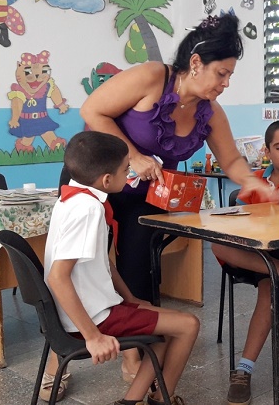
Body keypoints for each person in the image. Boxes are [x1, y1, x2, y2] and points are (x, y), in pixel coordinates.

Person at [80, 13, 272, 379]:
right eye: (222, 73)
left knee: (139, 267)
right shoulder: (153, 77)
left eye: (230, 75)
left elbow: (230, 159)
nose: (226, 83)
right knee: (81, 264)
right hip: (97, 181)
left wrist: (254, 182)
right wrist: (132, 156)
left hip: (141, 194)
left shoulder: (209, 112)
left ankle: (134, 348)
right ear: (196, 63)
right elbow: (92, 110)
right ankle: (62, 355)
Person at [44, 131, 200, 405]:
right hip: (94, 318)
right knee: (188, 325)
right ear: (107, 180)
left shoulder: (71, 199)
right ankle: (162, 399)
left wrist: (131, 299)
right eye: (126, 170)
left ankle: (133, 400)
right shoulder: (87, 210)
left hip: (97, 306)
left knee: (162, 332)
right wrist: (93, 337)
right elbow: (58, 278)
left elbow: (102, 262)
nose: (129, 175)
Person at [211, 120, 279, 405]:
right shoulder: (256, 178)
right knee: (217, 244)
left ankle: (243, 370)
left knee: (268, 290)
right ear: (267, 152)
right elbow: (242, 211)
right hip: (251, 250)